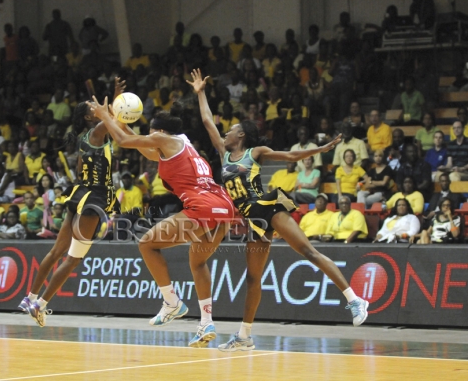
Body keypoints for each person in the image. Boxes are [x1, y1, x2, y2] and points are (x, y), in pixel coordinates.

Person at [189, 69, 368, 352]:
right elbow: (207, 120)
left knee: (308, 252)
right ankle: (244, 336)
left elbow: (291, 155)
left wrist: (322, 148)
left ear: (242, 135)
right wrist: (200, 92)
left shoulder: (255, 152)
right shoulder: (223, 154)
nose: (225, 132)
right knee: (252, 278)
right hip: (252, 220)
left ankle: (354, 299)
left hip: (268, 208)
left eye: (231, 130)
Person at [91, 94, 239, 350]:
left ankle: (172, 302)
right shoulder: (181, 143)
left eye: (151, 134)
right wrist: (119, 119)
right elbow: (140, 146)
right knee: (198, 262)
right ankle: (206, 323)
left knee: (147, 244)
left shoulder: (162, 138)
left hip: (202, 207)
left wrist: (105, 117)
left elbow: (125, 141)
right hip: (224, 206)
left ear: (158, 132)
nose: (150, 138)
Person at [20, 80, 125, 327]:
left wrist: (115, 99)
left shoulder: (84, 137)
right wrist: (116, 97)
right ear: (90, 116)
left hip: (80, 193)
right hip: (94, 197)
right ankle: (40, 304)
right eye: (93, 105)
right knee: (72, 259)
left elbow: (80, 168)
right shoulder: (98, 131)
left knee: (56, 251)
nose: (97, 106)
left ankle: (30, 297)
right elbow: (115, 121)